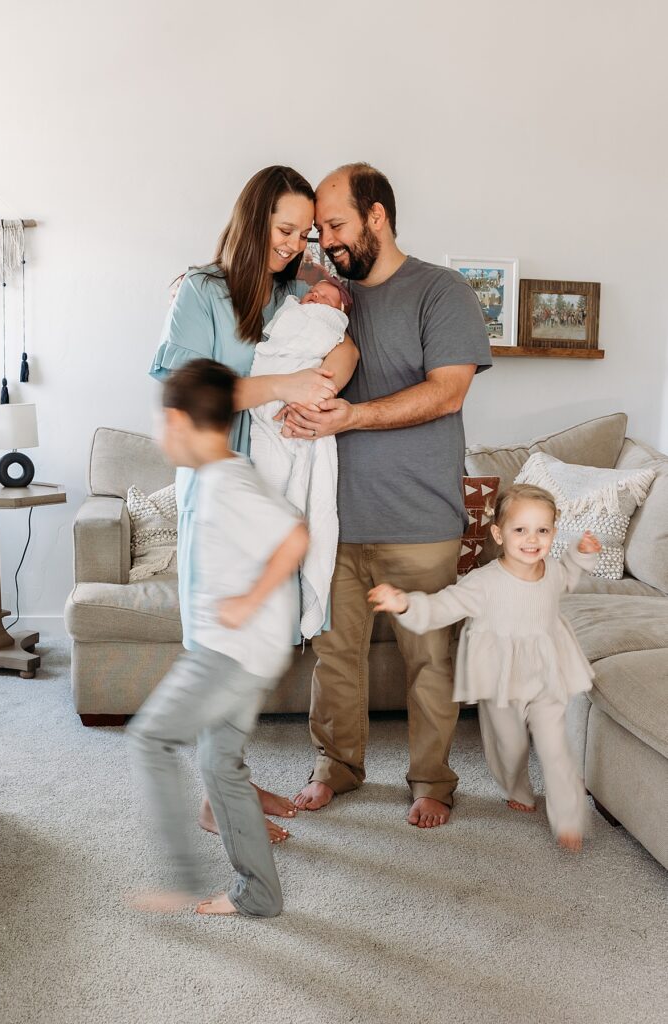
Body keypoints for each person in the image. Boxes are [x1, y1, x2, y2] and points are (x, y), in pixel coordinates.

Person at [149, 166, 359, 842]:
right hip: (217, 490)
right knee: (220, 641)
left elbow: (342, 344)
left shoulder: (289, 294)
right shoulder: (200, 291)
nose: (295, 245)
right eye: (284, 230)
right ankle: (217, 801)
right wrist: (283, 384)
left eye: (303, 235)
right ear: (252, 220)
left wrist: (321, 387)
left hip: (274, 480)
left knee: (265, 635)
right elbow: (184, 393)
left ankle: (229, 780)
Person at [287, 163, 492, 827]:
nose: (327, 241)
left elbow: (447, 390)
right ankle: (335, 767)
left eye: (337, 224)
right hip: (333, 519)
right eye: (318, 230)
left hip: (420, 520)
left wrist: (352, 415)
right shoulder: (323, 297)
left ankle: (431, 780)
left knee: (428, 662)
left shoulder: (441, 290)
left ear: (376, 216)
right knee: (334, 657)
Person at [129, 359, 309, 916]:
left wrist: (248, 603)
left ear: (181, 423)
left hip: (232, 653)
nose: (162, 437)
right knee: (219, 764)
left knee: (150, 740)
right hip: (243, 651)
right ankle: (258, 894)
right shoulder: (216, 476)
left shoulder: (228, 481)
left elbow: (295, 536)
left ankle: (182, 881)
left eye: (162, 424)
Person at [368, 484, 602, 852]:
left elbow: (570, 576)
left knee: (556, 746)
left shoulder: (552, 570)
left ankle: (569, 818)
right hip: (500, 678)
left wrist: (581, 555)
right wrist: (404, 604)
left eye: (542, 530)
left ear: (554, 533)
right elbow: (443, 607)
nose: (532, 539)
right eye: (520, 530)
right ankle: (517, 787)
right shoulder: (484, 582)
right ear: (498, 533)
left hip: (546, 673)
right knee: (509, 747)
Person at [250, 277, 353, 638]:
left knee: (287, 489)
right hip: (263, 408)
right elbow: (274, 346)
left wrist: (312, 395)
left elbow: (342, 350)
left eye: (325, 297)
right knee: (267, 485)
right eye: (312, 293)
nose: (314, 296)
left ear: (339, 310)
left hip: (297, 409)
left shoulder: (332, 325)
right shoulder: (285, 306)